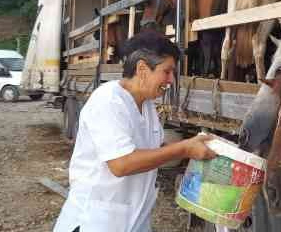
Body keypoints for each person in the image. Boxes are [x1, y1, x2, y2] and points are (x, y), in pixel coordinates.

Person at [53, 32, 216, 232]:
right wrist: (184, 149)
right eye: (167, 72)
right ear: (142, 69)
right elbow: (121, 164)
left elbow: (156, 150)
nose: (171, 80)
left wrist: (197, 147)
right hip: (95, 222)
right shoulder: (109, 101)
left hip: (132, 221)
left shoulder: (146, 104)